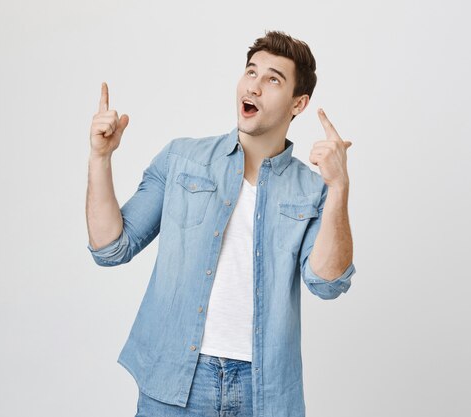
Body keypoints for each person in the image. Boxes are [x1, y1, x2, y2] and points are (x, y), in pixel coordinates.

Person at [85, 30, 356, 417]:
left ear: (299, 103)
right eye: (251, 72)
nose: (255, 86)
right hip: (175, 380)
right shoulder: (182, 159)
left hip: (263, 391)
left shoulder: (313, 190)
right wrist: (100, 158)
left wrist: (339, 187)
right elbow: (110, 247)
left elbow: (329, 283)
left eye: (273, 79)